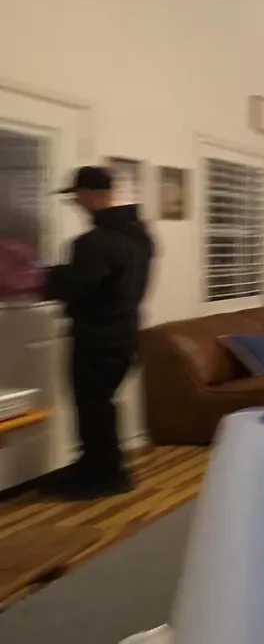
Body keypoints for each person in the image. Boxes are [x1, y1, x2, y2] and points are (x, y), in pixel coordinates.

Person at [42, 165, 154, 499]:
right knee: (102, 405)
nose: (76, 202)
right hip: (125, 334)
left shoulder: (94, 242)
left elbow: (78, 286)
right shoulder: (140, 237)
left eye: (78, 195)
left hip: (98, 337)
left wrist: (39, 277)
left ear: (93, 195)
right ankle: (98, 466)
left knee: (93, 406)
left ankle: (104, 477)